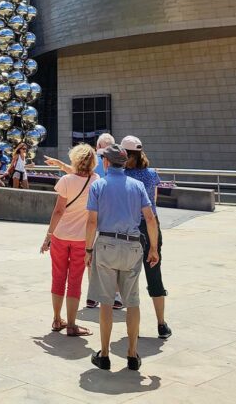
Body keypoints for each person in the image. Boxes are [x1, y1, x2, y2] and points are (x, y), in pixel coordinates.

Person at [84, 143, 160, 372]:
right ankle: (132, 354)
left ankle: (105, 355)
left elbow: (91, 222)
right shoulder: (137, 186)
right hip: (132, 246)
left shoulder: (99, 185)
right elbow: (150, 218)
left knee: (106, 302)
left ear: (106, 162)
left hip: (106, 244)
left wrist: (88, 250)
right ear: (124, 162)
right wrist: (153, 248)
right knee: (132, 301)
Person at [41, 143, 99, 337]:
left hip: (60, 236)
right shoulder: (96, 180)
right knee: (75, 281)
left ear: (75, 159)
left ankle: (57, 319)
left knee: (58, 277)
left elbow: (58, 211)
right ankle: (72, 324)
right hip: (82, 239)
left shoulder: (66, 180)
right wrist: (60, 164)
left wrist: (48, 236)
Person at [122, 136, 171, 340]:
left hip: (130, 228)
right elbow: (154, 203)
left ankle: (135, 326)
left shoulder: (122, 175)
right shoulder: (152, 174)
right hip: (151, 227)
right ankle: (161, 323)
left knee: (129, 277)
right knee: (154, 273)